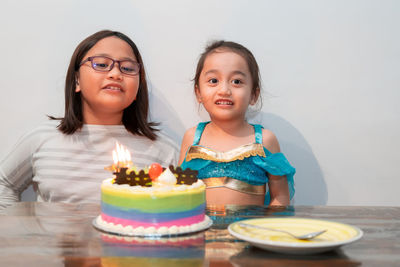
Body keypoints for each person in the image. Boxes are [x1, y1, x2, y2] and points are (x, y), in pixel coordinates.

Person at [0, 30, 178, 211]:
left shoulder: (163, 150)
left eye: (128, 68)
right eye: (101, 64)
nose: (115, 73)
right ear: (77, 80)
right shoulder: (42, 138)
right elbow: (3, 183)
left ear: (138, 89)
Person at [179, 40, 295, 206]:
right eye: (213, 81)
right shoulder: (192, 138)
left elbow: (280, 197)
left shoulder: (264, 140)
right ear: (198, 92)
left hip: (248, 231)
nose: (224, 90)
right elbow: (180, 193)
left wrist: (267, 229)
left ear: (254, 95)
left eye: (237, 81)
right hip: (202, 230)